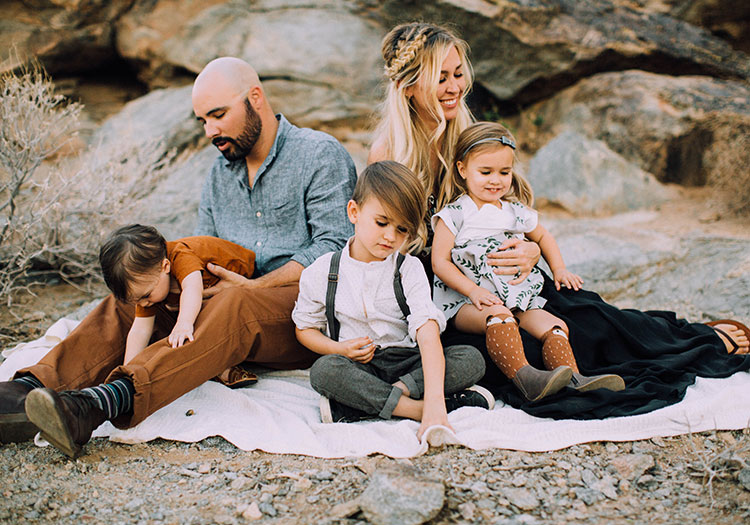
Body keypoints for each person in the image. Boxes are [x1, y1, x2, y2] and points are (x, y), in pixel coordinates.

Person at [369, 21, 750, 419]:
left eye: (458, 73)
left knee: (584, 314)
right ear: (409, 86)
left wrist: (531, 249)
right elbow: (385, 250)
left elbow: (512, 209)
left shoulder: (469, 134)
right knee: (514, 344)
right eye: (440, 78)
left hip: (506, 274)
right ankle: (544, 376)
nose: (454, 87)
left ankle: (696, 340)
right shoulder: (389, 153)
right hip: (444, 290)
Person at [0, 56, 357, 455]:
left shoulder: (318, 154)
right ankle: (25, 392)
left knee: (237, 300)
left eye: (218, 115)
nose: (210, 131)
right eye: (203, 120)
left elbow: (335, 249)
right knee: (134, 297)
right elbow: (201, 251)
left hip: (298, 315)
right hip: (219, 310)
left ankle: (102, 403)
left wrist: (255, 286)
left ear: (255, 98)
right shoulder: (219, 175)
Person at [292, 161, 493, 438]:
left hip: (407, 365)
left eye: (401, 230)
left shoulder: (407, 268)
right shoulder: (323, 271)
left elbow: (427, 331)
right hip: (358, 366)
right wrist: (340, 350)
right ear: (354, 212)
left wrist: (429, 392)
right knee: (324, 371)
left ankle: (367, 404)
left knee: (471, 358)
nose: (390, 237)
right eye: (382, 222)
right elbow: (304, 329)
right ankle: (420, 410)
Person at [432, 122, 624, 401]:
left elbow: (543, 236)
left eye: (504, 172)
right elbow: (440, 261)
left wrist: (559, 268)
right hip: (468, 301)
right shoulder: (456, 214)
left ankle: (572, 377)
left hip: (517, 295)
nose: (495, 180)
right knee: (500, 317)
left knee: (554, 325)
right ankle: (526, 377)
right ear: (462, 170)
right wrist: (473, 291)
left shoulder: (514, 211)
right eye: (485, 172)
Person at [99, 224, 259, 388]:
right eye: (137, 301)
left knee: (196, 320)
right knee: (182, 319)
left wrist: (184, 322)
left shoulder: (180, 254)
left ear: (165, 266)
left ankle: (222, 367)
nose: (143, 303)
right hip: (210, 293)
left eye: (146, 296)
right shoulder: (148, 283)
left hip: (246, 278)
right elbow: (140, 329)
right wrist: (129, 368)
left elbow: (192, 288)